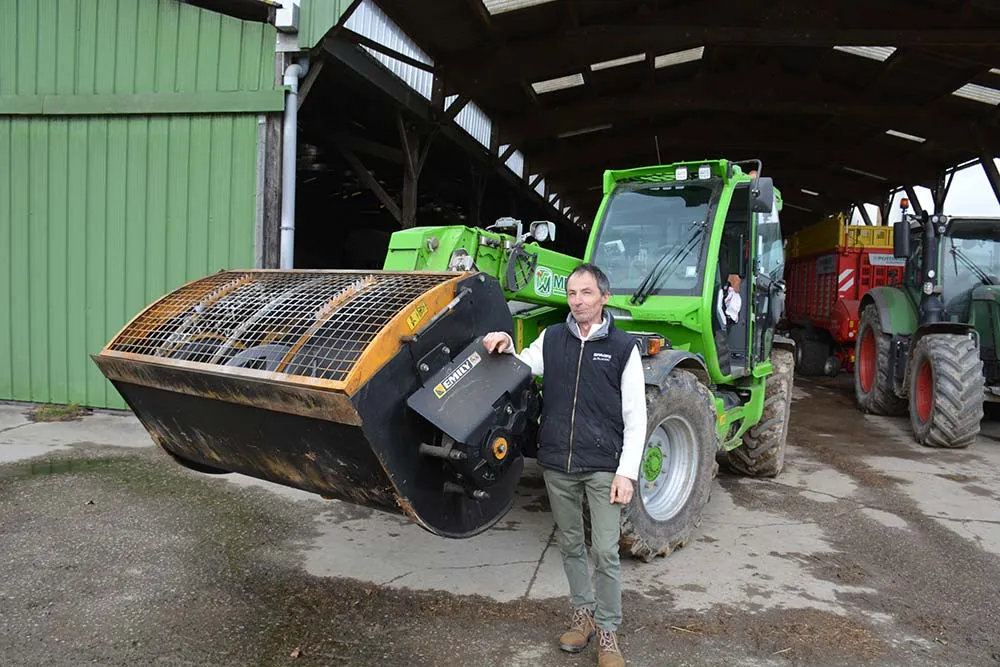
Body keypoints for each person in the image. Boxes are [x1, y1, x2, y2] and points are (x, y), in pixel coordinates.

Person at [483, 263, 646, 667]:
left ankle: (608, 632)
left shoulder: (623, 348)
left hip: (602, 465)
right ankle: (582, 614)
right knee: (571, 544)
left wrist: (626, 472)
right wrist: (506, 341)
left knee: (605, 551)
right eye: (572, 293)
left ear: (604, 297)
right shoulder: (553, 337)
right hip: (558, 463)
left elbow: (636, 415)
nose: (578, 301)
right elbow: (522, 364)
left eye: (587, 293)